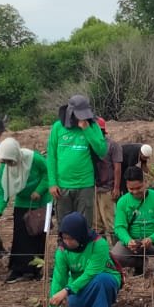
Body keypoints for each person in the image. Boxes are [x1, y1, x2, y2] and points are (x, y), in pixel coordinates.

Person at [47, 211, 124, 307]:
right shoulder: (62, 251)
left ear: (80, 235)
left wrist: (67, 290)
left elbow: (91, 272)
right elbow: (59, 278)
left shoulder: (99, 244)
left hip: (105, 282)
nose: (67, 242)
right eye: (64, 238)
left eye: (71, 238)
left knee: (101, 280)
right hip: (78, 289)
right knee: (77, 300)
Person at [47, 94, 108, 229]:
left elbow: (102, 151)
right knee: (64, 226)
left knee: (84, 225)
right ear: (70, 112)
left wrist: (86, 129)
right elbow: (51, 157)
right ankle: (64, 249)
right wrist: (52, 182)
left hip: (85, 184)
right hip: (62, 186)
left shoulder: (93, 126)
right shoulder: (58, 127)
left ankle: (84, 249)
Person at [0, 137, 50, 283]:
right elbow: (3, 191)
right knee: (20, 237)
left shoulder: (34, 159)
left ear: (17, 155)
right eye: (5, 161)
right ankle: (18, 269)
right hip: (22, 202)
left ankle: (36, 270)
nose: (9, 164)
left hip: (40, 202)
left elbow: (48, 174)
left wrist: (39, 190)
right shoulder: (4, 167)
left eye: (10, 161)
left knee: (38, 236)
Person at [111, 167, 154, 277]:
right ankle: (139, 263)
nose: (135, 192)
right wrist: (128, 240)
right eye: (131, 189)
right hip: (134, 243)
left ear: (146, 183)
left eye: (138, 188)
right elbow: (119, 227)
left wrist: (152, 239)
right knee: (115, 256)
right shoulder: (123, 201)